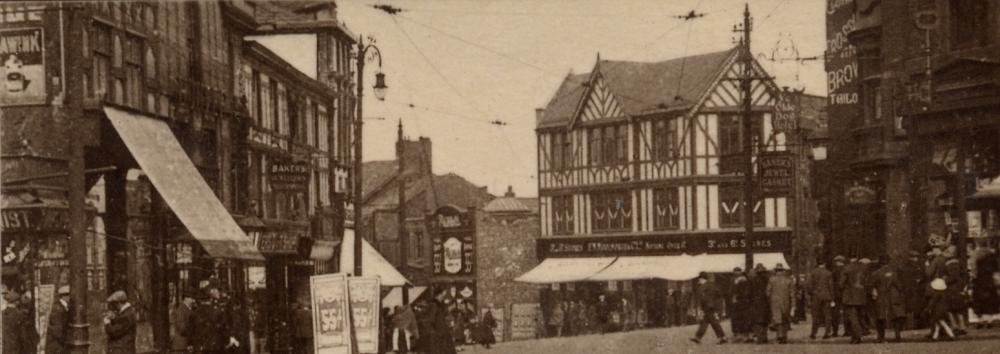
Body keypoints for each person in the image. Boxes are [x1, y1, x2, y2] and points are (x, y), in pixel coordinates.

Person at [191, 279, 241, 353]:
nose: (219, 292)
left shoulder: (225, 303)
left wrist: (231, 336)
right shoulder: (211, 306)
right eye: (217, 290)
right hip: (213, 343)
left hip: (221, 342)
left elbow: (231, 321)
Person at [873, 256, 906, 342]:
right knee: (895, 316)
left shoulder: (876, 273)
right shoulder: (894, 273)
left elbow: (872, 285)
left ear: (880, 263)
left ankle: (881, 337)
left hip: (881, 297)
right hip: (893, 297)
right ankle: (897, 336)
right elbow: (899, 286)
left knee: (880, 317)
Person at [689, 272, 727, 344]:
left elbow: (708, 297)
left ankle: (722, 337)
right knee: (706, 322)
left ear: (702, 279)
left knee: (713, 323)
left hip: (709, 307)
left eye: (699, 279)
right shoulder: (710, 285)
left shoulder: (705, 286)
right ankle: (698, 337)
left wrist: (709, 306)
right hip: (710, 306)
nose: (698, 281)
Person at [841, 257, 870, 344]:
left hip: (850, 298)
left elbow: (841, 283)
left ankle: (857, 337)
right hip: (862, 297)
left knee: (853, 318)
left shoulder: (846, 269)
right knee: (859, 317)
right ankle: (856, 336)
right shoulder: (863, 269)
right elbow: (867, 282)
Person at [419, 289, 457, 354]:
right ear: (438, 295)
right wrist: (434, 332)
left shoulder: (438, 305)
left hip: (441, 333)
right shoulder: (434, 305)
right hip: (438, 335)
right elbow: (431, 319)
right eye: (442, 295)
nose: (443, 297)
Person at [972, 244, 1000, 327]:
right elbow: (996, 271)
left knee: (980, 302)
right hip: (990, 283)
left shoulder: (978, 260)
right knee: (990, 303)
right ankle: (989, 321)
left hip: (980, 283)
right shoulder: (993, 260)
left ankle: (981, 320)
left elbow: (974, 272)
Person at [900, 250, 928, 330]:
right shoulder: (917, 266)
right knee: (917, 308)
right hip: (916, 290)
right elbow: (921, 277)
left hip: (908, 290)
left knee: (909, 309)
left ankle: (908, 326)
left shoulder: (905, 266)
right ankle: (917, 325)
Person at [3, 289, 37, 354]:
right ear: (17, 302)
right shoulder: (20, 315)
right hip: (16, 348)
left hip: (5, 347)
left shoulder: (2, 314)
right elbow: (23, 335)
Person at [767, 263, 794, 344]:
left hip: (775, 302)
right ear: (783, 271)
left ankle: (779, 335)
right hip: (786, 302)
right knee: (785, 319)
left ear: (775, 271)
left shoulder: (771, 279)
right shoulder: (788, 280)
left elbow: (768, 292)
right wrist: (793, 305)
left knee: (778, 319)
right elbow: (792, 293)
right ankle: (784, 336)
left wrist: (770, 300)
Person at [808, 260, 834, 339]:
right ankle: (827, 332)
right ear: (824, 264)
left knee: (815, 315)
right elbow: (831, 286)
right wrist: (832, 297)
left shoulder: (813, 273)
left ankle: (814, 333)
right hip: (827, 295)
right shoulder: (828, 273)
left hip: (816, 296)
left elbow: (809, 285)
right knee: (827, 315)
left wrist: (812, 293)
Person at [748, 264, 771, 344]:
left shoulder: (752, 280)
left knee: (756, 321)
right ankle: (764, 337)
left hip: (755, 303)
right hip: (765, 302)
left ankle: (759, 337)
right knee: (765, 321)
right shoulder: (767, 280)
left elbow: (749, 293)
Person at [47, 285, 71, 354]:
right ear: (65, 296)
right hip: (56, 345)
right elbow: (57, 330)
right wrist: (66, 340)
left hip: (58, 344)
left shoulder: (62, 307)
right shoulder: (58, 309)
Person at [729, 268, 751, 342]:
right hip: (743, 301)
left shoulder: (735, 280)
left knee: (738, 318)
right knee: (742, 318)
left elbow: (731, 291)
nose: (737, 273)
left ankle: (739, 335)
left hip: (739, 301)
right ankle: (743, 335)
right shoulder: (744, 279)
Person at [829, 255, 846, 337]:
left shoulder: (834, 271)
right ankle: (848, 330)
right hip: (845, 294)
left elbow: (832, 284)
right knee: (847, 312)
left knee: (835, 313)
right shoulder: (846, 270)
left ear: (837, 262)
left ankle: (835, 331)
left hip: (836, 294)